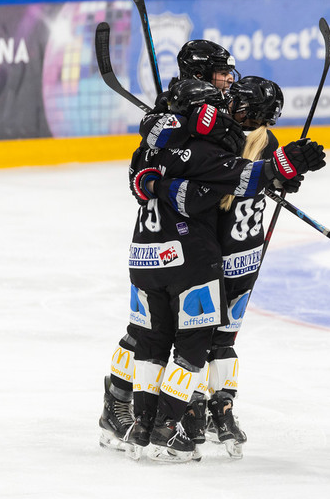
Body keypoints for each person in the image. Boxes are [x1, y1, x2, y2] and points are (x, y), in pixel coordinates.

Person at [124, 79, 325, 462]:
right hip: (207, 258)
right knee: (200, 344)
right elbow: (239, 178)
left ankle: (163, 421)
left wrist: (282, 174)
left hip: (159, 256)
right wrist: (281, 170)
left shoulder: (163, 141)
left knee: (160, 342)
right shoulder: (220, 146)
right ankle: (184, 420)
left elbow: (143, 177)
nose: (229, 110)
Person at [98, 39, 238, 453]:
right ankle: (119, 403)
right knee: (150, 332)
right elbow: (139, 177)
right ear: (201, 73)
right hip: (171, 240)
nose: (229, 78)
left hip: (202, 236)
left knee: (183, 331)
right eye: (221, 71)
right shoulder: (170, 115)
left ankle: (181, 409)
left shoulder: (206, 110)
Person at [179, 76, 288, 458]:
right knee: (224, 340)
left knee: (196, 339)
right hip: (249, 257)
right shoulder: (271, 145)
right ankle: (222, 412)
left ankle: (191, 411)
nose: (228, 104)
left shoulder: (222, 140)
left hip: (213, 259)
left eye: (235, 102)